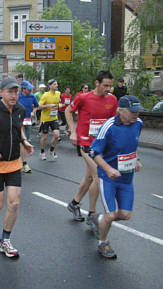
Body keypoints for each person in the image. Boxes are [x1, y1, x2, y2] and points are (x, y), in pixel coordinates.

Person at [0, 77, 34, 259]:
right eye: (10, 92)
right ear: (2, 92)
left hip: (14, 163)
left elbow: (18, 129)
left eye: (16, 92)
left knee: (14, 202)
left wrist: (25, 142)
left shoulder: (20, 109)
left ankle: (4, 240)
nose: (14, 95)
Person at [89, 95, 143, 259]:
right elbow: (94, 152)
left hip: (127, 179)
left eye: (138, 111)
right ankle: (103, 243)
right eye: (132, 111)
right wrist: (108, 169)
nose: (136, 115)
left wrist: (137, 159)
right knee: (111, 215)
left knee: (125, 215)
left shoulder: (138, 124)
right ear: (120, 110)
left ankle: (98, 219)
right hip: (108, 178)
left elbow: (133, 144)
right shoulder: (109, 126)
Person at [65, 70, 118, 226]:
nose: (108, 89)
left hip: (102, 144)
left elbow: (113, 122)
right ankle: (92, 214)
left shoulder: (112, 99)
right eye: (105, 85)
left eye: (110, 86)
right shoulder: (83, 97)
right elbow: (68, 111)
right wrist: (73, 132)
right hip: (85, 143)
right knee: (98, 175)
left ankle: (74, 203)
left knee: (89, 177)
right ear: (97, 83)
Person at [17, 80, 38, 173]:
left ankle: (21, 159)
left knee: (26, 141)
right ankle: (24, 163)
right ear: (23, 89)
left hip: (28, 121)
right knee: (22, 142)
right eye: (29, 89)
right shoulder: (17, 97)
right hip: (18, 121)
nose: (30, 91)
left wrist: (33, 111)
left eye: (31, 89)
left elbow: (36, 106)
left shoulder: (32, 96)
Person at [38, 79, 62, 161]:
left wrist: (61, 105)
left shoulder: (58, 93)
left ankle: (52, 150)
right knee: (45, 137)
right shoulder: (45, 95)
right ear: (50, 86)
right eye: (55, 84)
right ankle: (42, 152)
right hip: (45, 119)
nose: (57, 85)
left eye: (57, 84)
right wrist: (48, 105)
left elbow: (58, 103)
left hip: (54, 118)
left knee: (56, 135)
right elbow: (39, 106)